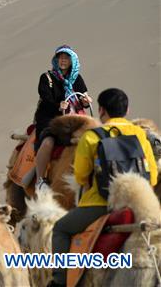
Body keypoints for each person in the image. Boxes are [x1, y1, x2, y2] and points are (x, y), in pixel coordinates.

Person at [48, 88, 157, 287]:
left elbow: (80, 175)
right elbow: (153, 177)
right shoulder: (141, 135)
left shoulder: (91, 137)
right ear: (127, 110)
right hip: (138, 204)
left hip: (101, 204)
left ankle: (59, 281)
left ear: (101, 111)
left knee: (61, 229)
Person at [29, 45, 90, 188]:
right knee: (48, 142)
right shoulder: (47, 78)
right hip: (51, 118)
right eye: (60, 57)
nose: (63, 60)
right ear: (56, 59)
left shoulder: (77, 78)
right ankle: (40, 181)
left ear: (72, 60)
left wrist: (85, 101)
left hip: (74, 118)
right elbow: (46, 98)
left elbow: (84, 97)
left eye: (66, 57)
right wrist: (58, 105)